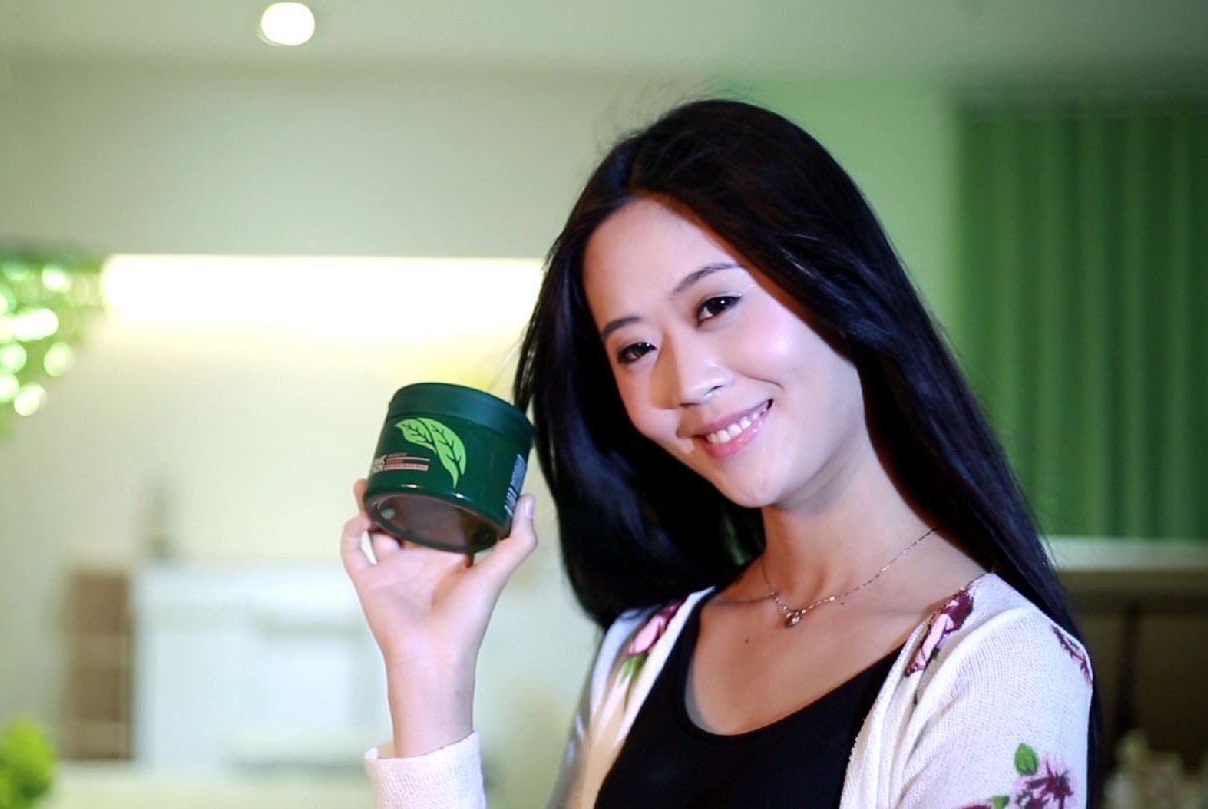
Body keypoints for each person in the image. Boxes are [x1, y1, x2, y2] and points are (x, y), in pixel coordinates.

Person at [340, 98, 1099, 808]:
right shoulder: (643, 652)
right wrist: (429, 672)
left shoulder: (999, 666)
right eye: (635, 348)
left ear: (837, 276)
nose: (688, 382)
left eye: (716, 304)